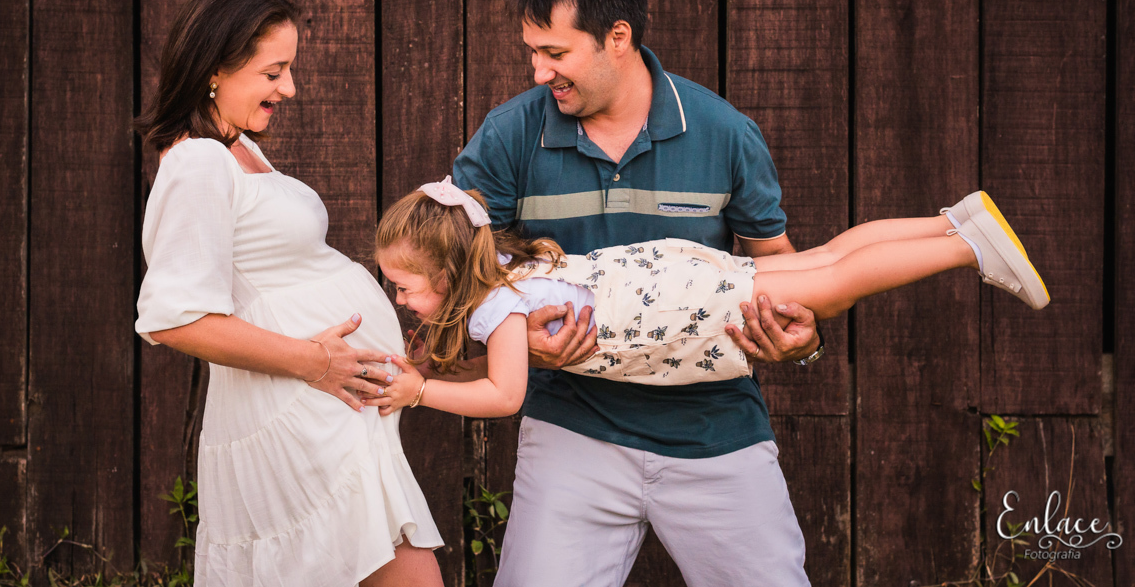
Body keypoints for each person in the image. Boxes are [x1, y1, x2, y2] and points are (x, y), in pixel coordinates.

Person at [451, 0, 822, 586]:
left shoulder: (724, 132)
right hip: (573, 427)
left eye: (556, 53)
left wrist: (804, 339)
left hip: (716, 428)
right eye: (532, 52)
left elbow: (783, 268)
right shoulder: (510, 134)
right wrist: (514, 338)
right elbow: (453, 271)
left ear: (616, 37)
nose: (540, 72)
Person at [133, 0, 443, 587]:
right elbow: (173, 318)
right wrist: (312, 361)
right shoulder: (198, 161)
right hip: (298, 408)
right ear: (215, 70)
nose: (290, 88)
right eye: (274, 72)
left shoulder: (237, 148)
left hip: (326, 406)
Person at [366, 182, 1046, 416]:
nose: (398, 297)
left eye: (404, 285)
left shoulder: (496, 309)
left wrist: (420, 390)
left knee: (831, 288)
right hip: (675, 276)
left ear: (451, 278)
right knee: (825, 258)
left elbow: (505, 394)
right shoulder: (501, 263)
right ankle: (952, 220)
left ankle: (964, 247)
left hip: (678, 307)